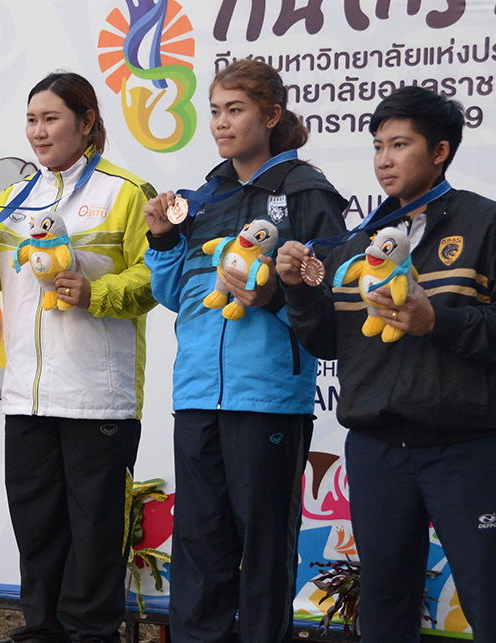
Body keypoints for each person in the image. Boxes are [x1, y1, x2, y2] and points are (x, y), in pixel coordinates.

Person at [276, 86, 496, 643]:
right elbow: (328, 343)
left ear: (440, 151)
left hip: (467, 450)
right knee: (384, 605)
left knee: (492, 601)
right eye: (378, 146)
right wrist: (298, 291)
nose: (384, 159)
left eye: (400, 145)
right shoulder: (359, 243)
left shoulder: (487, 223)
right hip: (377, 451)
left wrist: (437, 322)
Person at [0, 71, 156, 643]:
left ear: (86, 123)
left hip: (97, 397)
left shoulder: (126, 192)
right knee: (36, 530)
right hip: (26, 397)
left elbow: (155, 279)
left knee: (94, 535)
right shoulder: (15, 199)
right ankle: (40, 631)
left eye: (51, 118)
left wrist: (96, 292)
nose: (38, 131)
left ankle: (90, 635)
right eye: (32, 120)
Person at [143, 58, 348, 643]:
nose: (221, 123)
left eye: (235, 110)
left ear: (272, 115)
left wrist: (274, 295)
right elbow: (174, 295)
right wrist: (163, 239)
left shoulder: (307, 192)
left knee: (262, 546)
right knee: (198, 540)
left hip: (268, 398)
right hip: (197, 394)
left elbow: (331, 290)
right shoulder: (204, 197)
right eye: (215, 111)